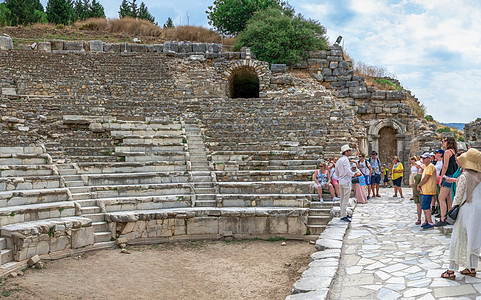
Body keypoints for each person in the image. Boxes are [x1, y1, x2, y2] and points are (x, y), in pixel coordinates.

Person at [441, 148, 481, 280]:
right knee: (474, 238)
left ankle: (451, 270)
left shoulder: (465, 176)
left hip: (466, 210)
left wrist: (453, 209)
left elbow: (458, 197)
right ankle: (472, 267)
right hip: (478, 211)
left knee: (458, 237)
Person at [434, 137, 458, 227]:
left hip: (447, 176)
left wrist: (441, 178)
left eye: (444, 141)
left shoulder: (447, 152)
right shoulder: (454, 151)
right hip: (453, 175)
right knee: (449, 199)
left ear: (448, 142)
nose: (442, 143)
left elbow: (445, 166)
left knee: (441, 198)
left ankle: (443, 218)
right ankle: (450, 218)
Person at [335, 145, 362, 222]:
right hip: (346, 181)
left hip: (341, 181)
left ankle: (343, 214)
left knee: (342, 199)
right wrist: (354, 174)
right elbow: (347, 170)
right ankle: (343, 216)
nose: (350, 152)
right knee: (345, 199)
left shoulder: (339, 160)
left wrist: (340, 176)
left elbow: (336, 171)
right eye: (349, 150)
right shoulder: (345, 160)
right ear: (346, 152)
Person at [417, 153, 437, 230]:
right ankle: (427, 221)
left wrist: (419, 185)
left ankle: (430, 222)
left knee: (425, 206)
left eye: (425, 158)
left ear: (429, 158)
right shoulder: (427, 167)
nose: (423, 160)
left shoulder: (430, 167)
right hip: (425, 190)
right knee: (426, 206)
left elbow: (426, 178)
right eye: (422, 158)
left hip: (428, 190)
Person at [413, 161, 424, 225]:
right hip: (416, 189)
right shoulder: (418, 170)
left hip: (420, 189)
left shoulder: (423, 171)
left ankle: (425, 219)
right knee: (418, 205)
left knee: (421, 204)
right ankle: (419, 218)